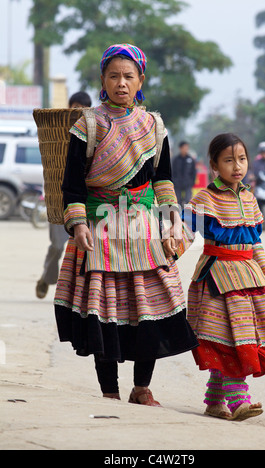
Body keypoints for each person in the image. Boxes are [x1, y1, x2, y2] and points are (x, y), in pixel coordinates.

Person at [53, 43, 198, 406]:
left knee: (149, 308)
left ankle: (142, 388)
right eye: (114, 75)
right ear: (102, 79)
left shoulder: (154, 125)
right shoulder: (87, 123)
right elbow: (71, 184)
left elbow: (163, 180)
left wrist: (172, 221)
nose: (121, 83)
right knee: (104, 310)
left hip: (142, 227)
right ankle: (109, 390)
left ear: (140, 80)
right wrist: (78, 224)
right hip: (100, 228)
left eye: (128, 76)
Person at [184, 133, 265, 420]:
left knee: (231, 336)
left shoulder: (250, 198)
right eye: (229, 160)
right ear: (214, 164)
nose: (237, 166)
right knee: (230, 337)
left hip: (249, 277)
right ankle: (239, 399)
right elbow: (185, 233)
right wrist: (166, 251)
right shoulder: (205, 198)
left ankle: (215, 401)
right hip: (217, 276)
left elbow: (255, 241)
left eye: (241, 159)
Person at [36, 91, 92, 299]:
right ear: (68, 106)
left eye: (82, 109)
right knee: (57, 246)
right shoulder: (57, 134)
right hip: (60, 200)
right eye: (74, 107)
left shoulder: (93, 133)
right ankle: (46, 278)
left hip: (84, 203)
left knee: (84, 250)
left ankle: (77, 296)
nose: (77, 111)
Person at [172, 141, 196, 206]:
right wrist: (174, 181)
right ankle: (179, 215)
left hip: (188, 183)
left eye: (187, 148)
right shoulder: (175, 160)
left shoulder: (190, 159)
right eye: (184, 148)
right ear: (180, 148)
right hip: (177, 184)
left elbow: (193, 171)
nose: (186, 149)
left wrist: (192, 182)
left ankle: (187, 215)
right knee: (178, 201)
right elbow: (173, 172)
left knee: (188, 200)